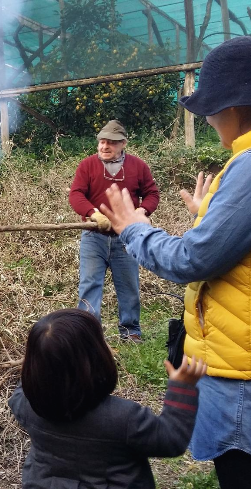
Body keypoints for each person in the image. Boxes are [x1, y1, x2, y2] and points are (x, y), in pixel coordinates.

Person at [100, 36, 251, 489]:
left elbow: (192, 258)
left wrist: (132, 228)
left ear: (235, 108)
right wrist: (211, 215)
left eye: (209, 109)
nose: (207, 119)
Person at [9, 309, 206, 488]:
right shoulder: (124, 418)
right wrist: (182, 389)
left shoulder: (26, 405)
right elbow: (170, 440)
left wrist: (42, 360)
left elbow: (21, 391)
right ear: (96, 359)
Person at [68, 120, 160, 343]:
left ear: (123, 144)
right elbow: (76, 194)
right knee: (89, 285)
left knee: (129, 285)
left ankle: (131, 332)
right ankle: (89, 336)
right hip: (93, 237)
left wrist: (140, 212)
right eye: (102, 141)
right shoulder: (87, 165)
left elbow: (152, 194)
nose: (104, 146)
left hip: (126, 238)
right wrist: (93, 213)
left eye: (111, 142)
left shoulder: (138, 166)